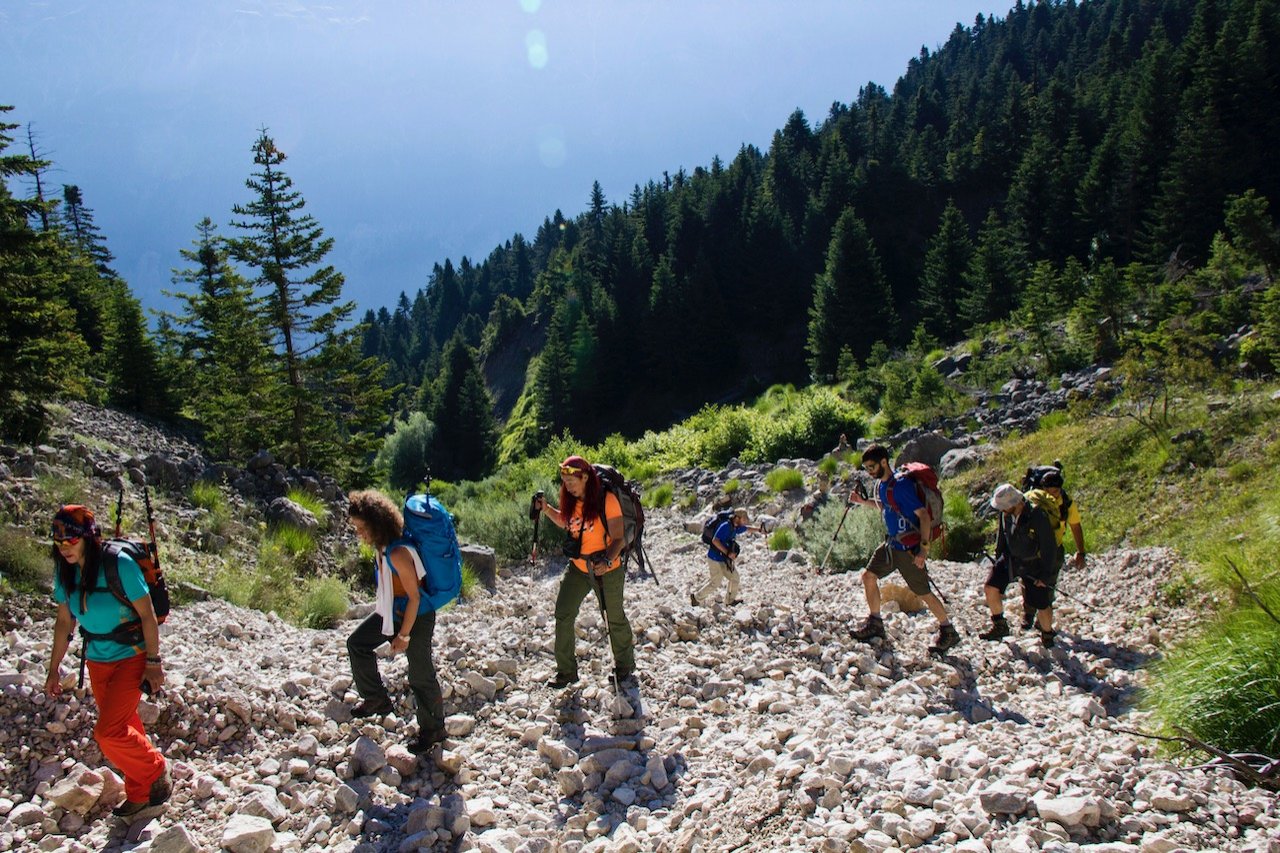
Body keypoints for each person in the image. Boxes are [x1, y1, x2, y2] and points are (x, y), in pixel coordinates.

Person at [43, 505, 171, 819]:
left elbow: (147, 616)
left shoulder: (119, 564)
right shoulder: (65, 570)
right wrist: (53, 669)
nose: (64, 548)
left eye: (70, 541)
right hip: (97, 659)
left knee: (108, 732)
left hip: (132, 656)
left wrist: (153, 663)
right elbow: (64, 622)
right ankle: (140, 793)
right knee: (126, 727)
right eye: (59, 543)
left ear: (87, 538)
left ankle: (155, 771)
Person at [345, 490, 446, 754]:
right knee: (357, 643)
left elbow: (414, 597)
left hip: (416, 616)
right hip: (393, 611)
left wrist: (403, 636)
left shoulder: (398, 551)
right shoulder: (382, 547)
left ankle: (433, 730)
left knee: (420, 673)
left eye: (361, 528)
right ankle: (376, 700)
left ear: (376, 524)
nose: (358, 534)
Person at [533, 455, 637, 688]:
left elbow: (619, 537)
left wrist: (608, 561)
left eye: (572, 479)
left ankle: (624, 666)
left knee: (613, 617)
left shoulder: (605, 499)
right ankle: (566, 671)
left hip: (607, 569)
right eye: (564, 479)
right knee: (563, 613)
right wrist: (546, 509)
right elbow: (566, 522)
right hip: (578, 568)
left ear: (586, 478)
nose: (567, 484)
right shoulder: (571, 501)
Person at [846, 445, 960, 653]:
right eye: (866, 468)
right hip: (891, 545)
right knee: (868, 576)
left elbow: (924, 516)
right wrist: (863, 502)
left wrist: (923, 550)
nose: (869, 471)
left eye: (872, 467)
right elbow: (887, 506)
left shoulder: (901, 485)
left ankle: (948, 629)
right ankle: (875, 622)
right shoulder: (883, 485)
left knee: (923, 592)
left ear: (883, 462)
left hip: (908, 549)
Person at [981, 484, 1061, 647]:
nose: (1002, 511)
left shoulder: (1037, 515)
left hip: (1034, 563)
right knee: (991, 587)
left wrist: (1046, 575)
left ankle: (1047, 634)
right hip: (1011, 558)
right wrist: (998, 559)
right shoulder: (1007, 514)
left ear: (1015, 503)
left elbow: (1049, 546)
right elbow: (1003, 537)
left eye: (1004, 507)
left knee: (1041, 602)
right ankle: (999, 625)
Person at [691, 507, 763, 607]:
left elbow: (747, 528)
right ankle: (696, 598)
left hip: (724, 558)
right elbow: (715, 540)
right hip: (714, 558)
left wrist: (759, 530)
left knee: (735, 578)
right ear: (737, 518)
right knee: (715, 582)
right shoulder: (725, 526)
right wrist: (727, 553)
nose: (745, 521)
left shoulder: (735, 527)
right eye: (744, 519)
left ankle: (729, 601)